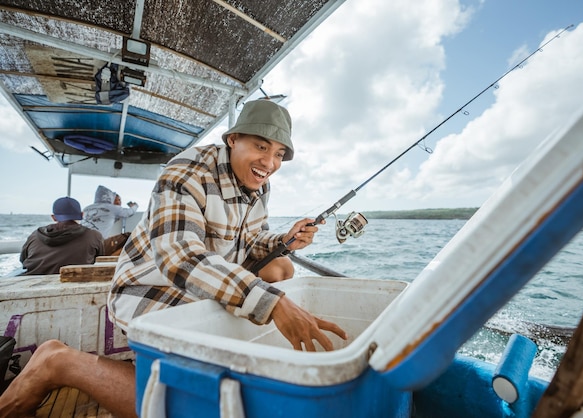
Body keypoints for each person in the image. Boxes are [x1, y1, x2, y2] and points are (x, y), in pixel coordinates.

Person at [0, 100, 347, 418]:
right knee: (188, 408)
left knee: (282, 265)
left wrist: (284, 240)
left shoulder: (259, 187)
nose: (269, 163)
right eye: (260, 146)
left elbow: (253, 240)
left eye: (278, 153)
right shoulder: (187, 171)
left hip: (205, 284)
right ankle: (59, 363)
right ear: (234, 139)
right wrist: (272, 304)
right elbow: (179, 258)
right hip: (151, 286)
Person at [19, 197, 104, 275]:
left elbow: (23, 260)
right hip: (74, 285)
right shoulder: (94, 236)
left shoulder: (36, 235)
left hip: (32, 283)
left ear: (54, 217)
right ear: (82, 215)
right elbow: (100, 261)